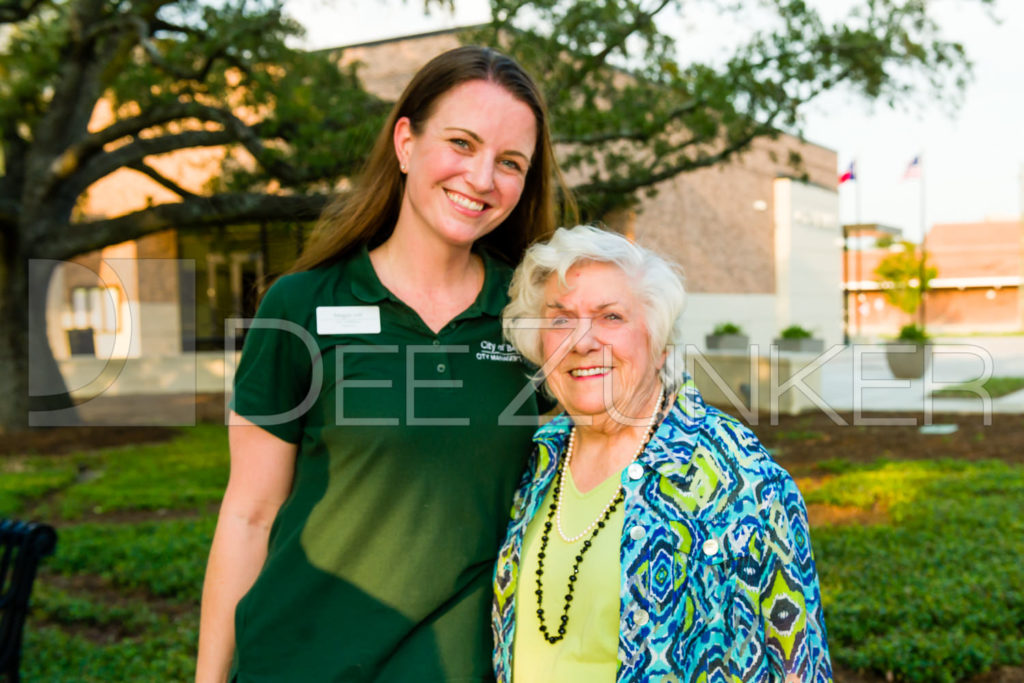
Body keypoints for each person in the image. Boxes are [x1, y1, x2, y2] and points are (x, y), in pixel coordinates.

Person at [196, 46, 574, 683]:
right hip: (294, 662)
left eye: (510, 162)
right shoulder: (301, 305)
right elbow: (249, 513)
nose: (482, 178)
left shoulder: (534, 317)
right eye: (461, 143)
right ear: (406, 142)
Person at [493, 225, 832, 681]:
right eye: (560, 319)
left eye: (610, 317)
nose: (582, 341)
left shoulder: (743, 479)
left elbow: (800, 668)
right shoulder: (534, 462)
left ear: (658, 345)